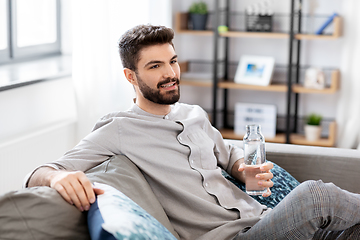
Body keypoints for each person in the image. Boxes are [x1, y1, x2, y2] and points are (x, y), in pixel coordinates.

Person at [27, 24, 360, 240]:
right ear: (130, 76)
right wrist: (56, 179)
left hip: (263, 219)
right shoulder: (118, 129)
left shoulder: (195, 114)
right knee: (316, 196)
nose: (171, 73)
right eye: (155, 66)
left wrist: (244, 171)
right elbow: (42, 172)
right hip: (231, 237)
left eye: (173, 61)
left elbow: (229, 156)